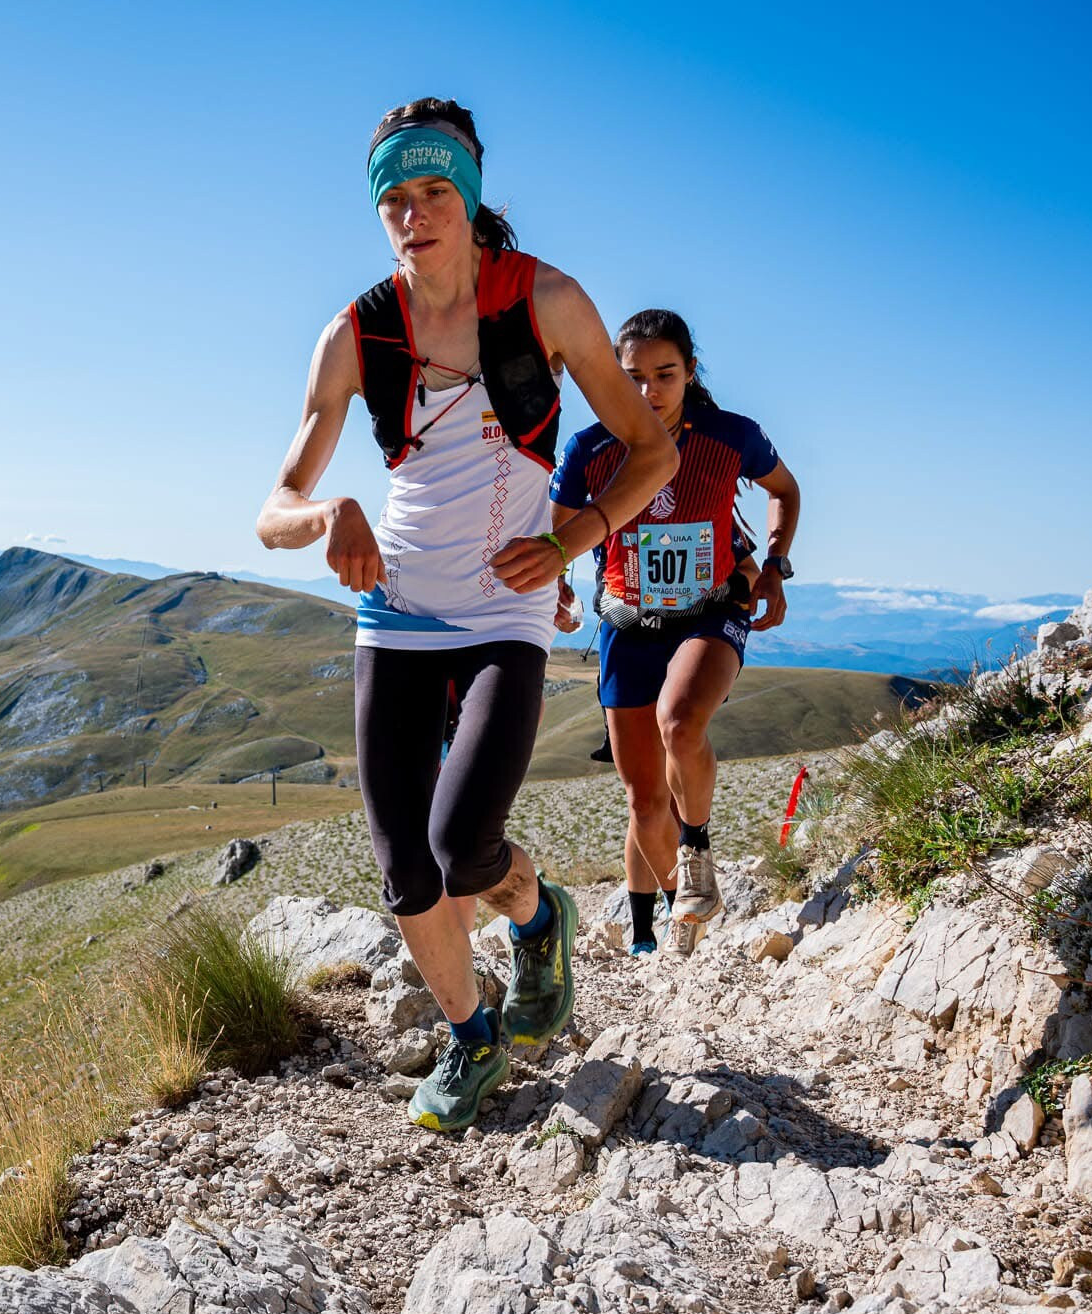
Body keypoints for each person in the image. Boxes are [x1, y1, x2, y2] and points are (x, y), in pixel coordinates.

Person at [255, 99, 677, 1132]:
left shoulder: (544, 300)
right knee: (403, 863)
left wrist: (573, 540)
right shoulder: (354, 333)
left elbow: (648, 451)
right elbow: (272, 511)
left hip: (506, 608)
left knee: (462, 846)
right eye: (392, 199)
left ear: (469, 192)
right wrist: (330, 512)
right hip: (396, 606)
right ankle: (470, 1039)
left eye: (432, 190)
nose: (412, 214)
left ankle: (538, 920)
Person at [549, 310, 802, 955]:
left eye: (664, 375)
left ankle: (696, 851)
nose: (647, 392)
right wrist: (558, 589)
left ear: (691, 372)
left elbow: (785, 490)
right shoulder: (589, 449)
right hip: (627, 625)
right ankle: (677, 917)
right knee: (641, 802)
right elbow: (556, 536)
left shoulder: (730, 435)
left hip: (710, 613)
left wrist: (773, 562)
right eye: (630, 378)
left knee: (680, 722)